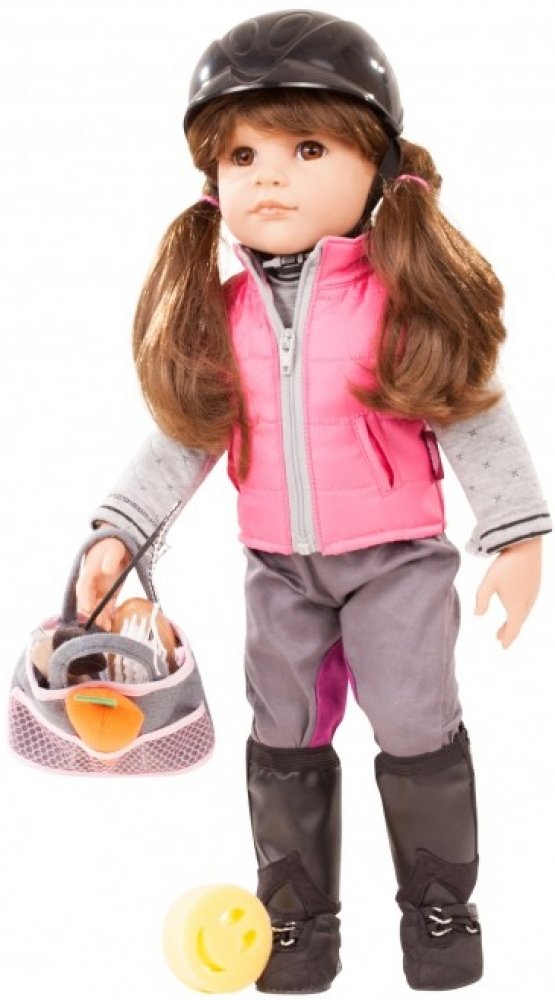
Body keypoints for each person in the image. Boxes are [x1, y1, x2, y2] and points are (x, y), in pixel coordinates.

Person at [74, 10, 551, 993]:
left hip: (397, 564)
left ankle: (439, 907)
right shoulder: (227, 317)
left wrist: (515, 536)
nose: (268, 178)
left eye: (305, 148)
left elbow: (471, 411)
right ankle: (294, 917)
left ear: (378, 166)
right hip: (278, 571)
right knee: (283, 728)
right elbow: (185, 437)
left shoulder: (400, 300)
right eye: (242, 156)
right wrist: (119, 533)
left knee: (415, 723)